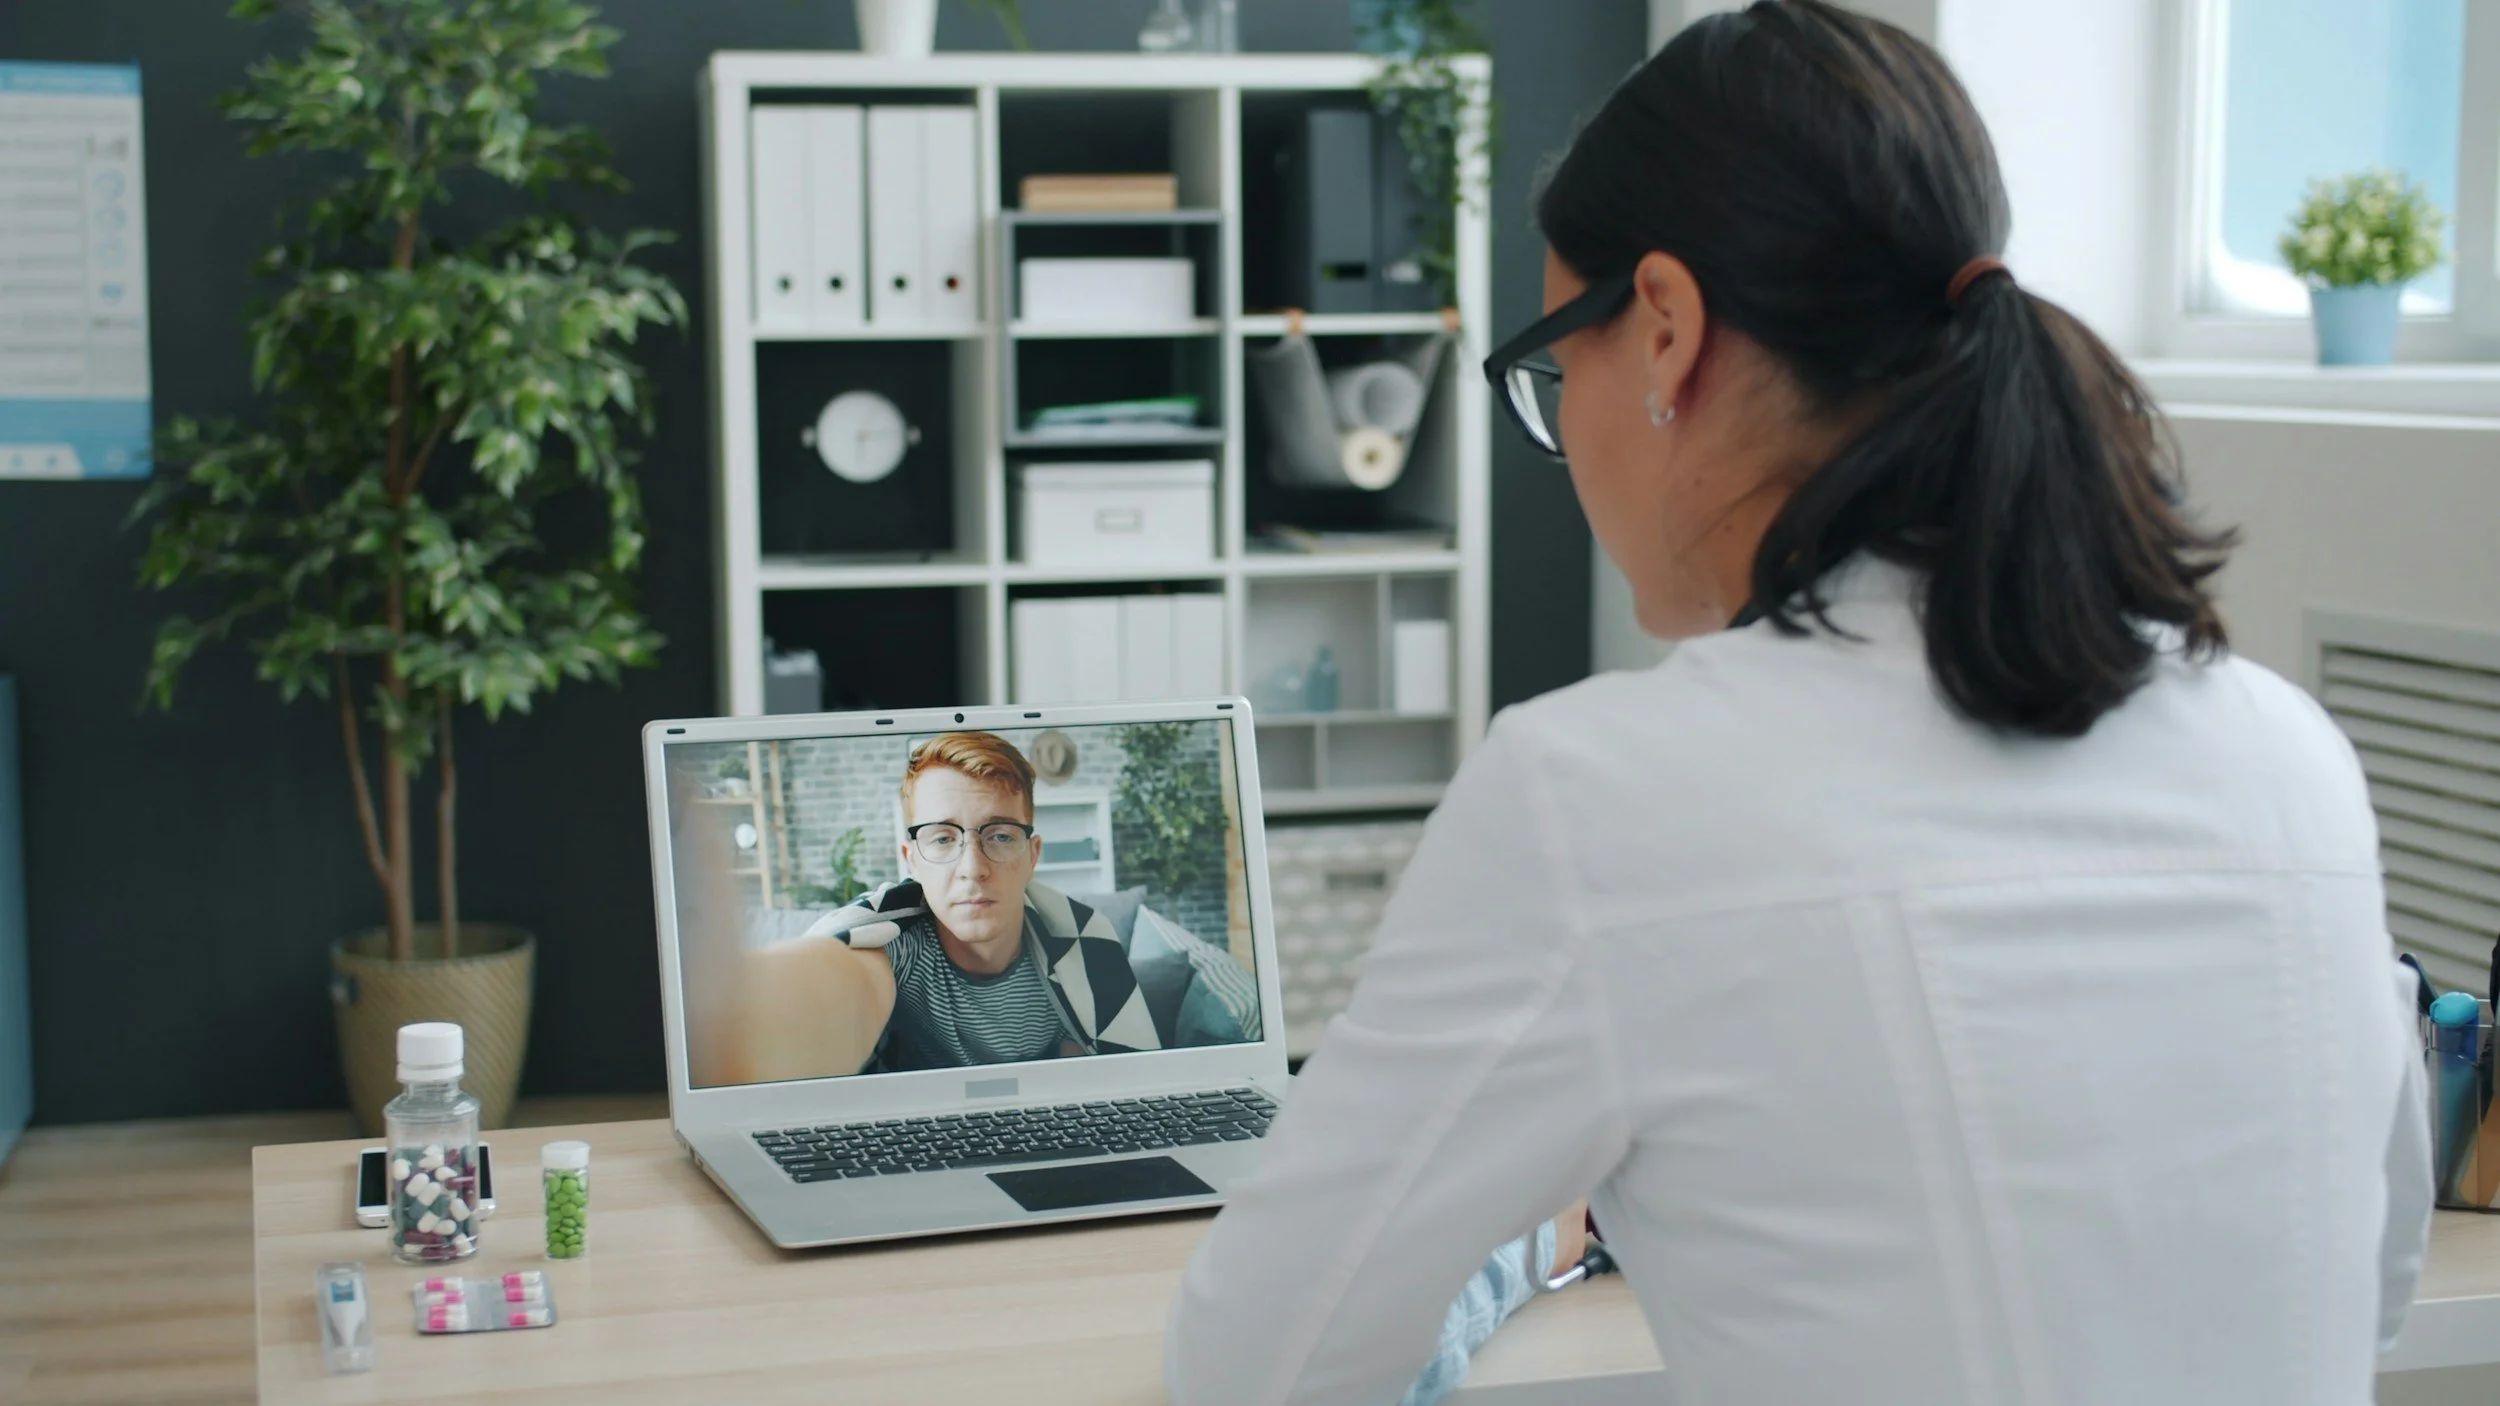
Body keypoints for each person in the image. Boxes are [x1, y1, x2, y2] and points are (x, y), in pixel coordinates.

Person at [1166, 5, 2430, 1404]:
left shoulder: (1599, 792)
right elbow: (2370, 1288)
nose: (1560, 431)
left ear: (1660, 328)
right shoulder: (2287, 752)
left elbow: (1258, 1363)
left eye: (1549, 366)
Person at [807, 731, 1163, 1071]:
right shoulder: (895, 948)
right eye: (943, 839)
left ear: (1032, 856)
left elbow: (1099, 1073)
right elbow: (823, 992)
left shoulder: (1079, 946)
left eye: (1001, 836)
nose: (973, 868)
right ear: (911, 859)